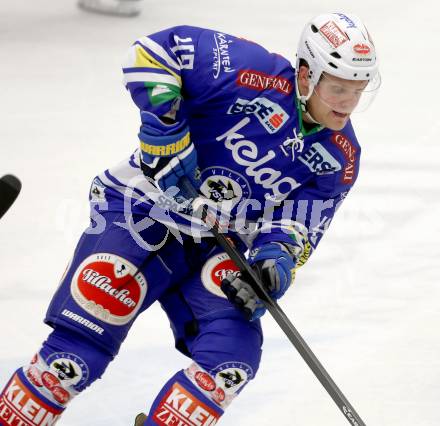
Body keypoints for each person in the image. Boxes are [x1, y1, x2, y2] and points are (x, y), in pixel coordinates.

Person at [0, 12, 380, 426]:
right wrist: (165, 127)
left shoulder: (339, 156)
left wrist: (275, 261)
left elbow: (298, 224)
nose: (348, 104)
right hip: (140, 214)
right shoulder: (246, 70)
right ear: (306, 75)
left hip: (213, 244)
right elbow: (151, 52)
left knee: (230, 360)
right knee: (77, 353)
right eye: (338, 88)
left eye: (357, 92)